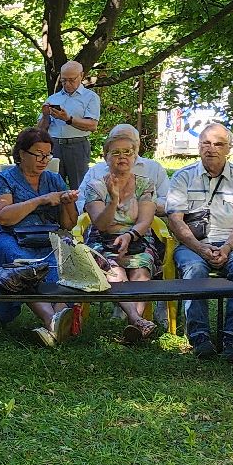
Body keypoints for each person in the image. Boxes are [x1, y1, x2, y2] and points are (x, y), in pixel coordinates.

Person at [164, 122, 233, 359]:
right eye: (206, 143)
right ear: (198, 147)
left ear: (229, 149)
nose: (211, 149)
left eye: (219, 144)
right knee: (195, 268)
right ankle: (200, 337)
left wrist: (227, 247)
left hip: (232, 243)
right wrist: (199, 247)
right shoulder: (182, 177)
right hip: (192, 245)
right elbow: (175, 221)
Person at [0, 127, 76, 345]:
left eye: (47, 155)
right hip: (11, 237)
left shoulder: (54, 179)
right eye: (38, 154)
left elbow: (68, 224)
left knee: (68, 257)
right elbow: (2, 216)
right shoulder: (5, 179)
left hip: (47, 237)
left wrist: (67, 203)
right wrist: (40, 200)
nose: (44, 160)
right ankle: (51, 320)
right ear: (21, 153)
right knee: (20, 262)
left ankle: (57, 321)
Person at [82, 124, 161, 343]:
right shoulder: (95, 186)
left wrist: (130, 236)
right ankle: (138, 321)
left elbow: (146, 219)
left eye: (128, 152)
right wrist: (114, 199)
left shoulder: (146, 184)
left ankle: (134, 326)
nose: (122, 157)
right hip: (102, 240)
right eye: (116, 153)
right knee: (115, 272)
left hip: (137, 238)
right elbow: (101, 225)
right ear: (106, 157)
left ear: (136, 156)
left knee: (141, 271)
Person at [42, 59, 101, 189]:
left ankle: (78, 209)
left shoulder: (90, 97)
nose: (67, 84)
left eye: (71, 80)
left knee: (79, 186)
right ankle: (55, 209)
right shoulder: (53, 98)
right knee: (52, 184)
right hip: (54, 145)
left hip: (77, 145)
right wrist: (46, 115)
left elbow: (92, 125)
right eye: (63, 80)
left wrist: (68, 119)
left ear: (81, 75)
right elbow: (40, 129)